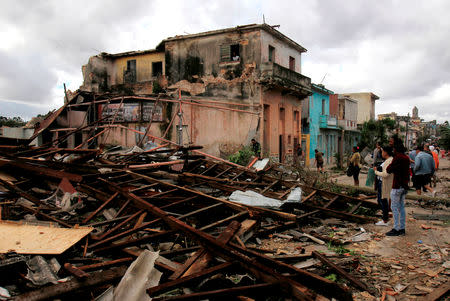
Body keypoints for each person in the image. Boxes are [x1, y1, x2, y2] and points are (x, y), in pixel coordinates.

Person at [385, 141, 410, 236]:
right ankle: (402, 228)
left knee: (394, 207)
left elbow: (388, 169)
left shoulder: (397, 158)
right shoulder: (406, 158)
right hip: (404, 185)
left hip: (397, 186)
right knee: (401, 207)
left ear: (396, 149)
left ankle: (396, 228)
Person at [373, 145, 394, 226]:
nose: (381, 153)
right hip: (381, 182)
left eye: (382, 151)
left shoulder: (389, 161)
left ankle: (385, 220)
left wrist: (376, 172)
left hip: (384, 183)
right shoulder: (387, 160)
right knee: (382, 201)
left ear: (385, 152)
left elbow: (385, 174)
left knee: (383, 201)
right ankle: (385, 218)